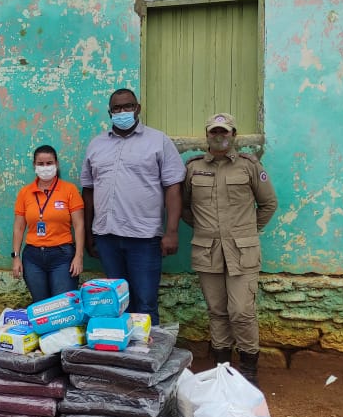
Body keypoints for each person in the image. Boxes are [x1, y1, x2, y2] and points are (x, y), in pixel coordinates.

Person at [182, 113, 278, 386]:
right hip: (208, 250)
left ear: (234, 135)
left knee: (241, 311)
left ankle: (248, 370)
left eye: (224, 131)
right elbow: (185, 207)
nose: (219, 136)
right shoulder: (193, 168)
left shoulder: (249, 166)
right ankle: (222, 369)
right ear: (207, 135)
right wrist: (205, 229)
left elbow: (269, 204)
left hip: (242, 251)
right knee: (217, 311)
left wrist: (247, 231)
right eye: (214, 132)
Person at [79, 87, 185, 325]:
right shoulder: (96, 145)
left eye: (128, 106)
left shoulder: (158, 141)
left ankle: (146, 348)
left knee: (145, 303)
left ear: (138, 108)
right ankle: (123, 347)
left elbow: (173, 187)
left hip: (144, 239)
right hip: (106, 237)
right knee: (116, 303)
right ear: (110, 113)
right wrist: (88, 234)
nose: (122, 112)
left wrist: (171, 232)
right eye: (117, 108)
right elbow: (88, 191)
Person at [11, 145, 85, 302]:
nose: (45, 167)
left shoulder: (69, 190)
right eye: (41, 164)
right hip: (33, 258)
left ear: (56, 164)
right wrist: (16, 257)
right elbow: (19, 227)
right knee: (41, 305)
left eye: (49, 163)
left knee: (62, 304)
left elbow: (79, 225)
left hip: (62, 256)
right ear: (34, 165)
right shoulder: (25, 193)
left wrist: (78, 256)